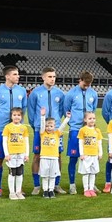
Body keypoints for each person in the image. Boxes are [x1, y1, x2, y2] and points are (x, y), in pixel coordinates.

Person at [0, 65, 27, 198]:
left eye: (18, 74)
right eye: (15, 74)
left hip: (18, 131)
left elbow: (24, 108)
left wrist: (19, 125)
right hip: (1, 129)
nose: (18, 76)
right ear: (7, 76)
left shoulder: (22, 91)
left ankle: (18, 188)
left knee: (18, 159)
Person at [27, 67, 64, 195]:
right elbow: (31, 111)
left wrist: (56, 123)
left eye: (54, 77)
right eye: (49, 76)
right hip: (40, 129)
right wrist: (36, 125)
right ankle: (37, 185)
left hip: (55, 130)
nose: (52, 79)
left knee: (58, 156)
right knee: (37, 155)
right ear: (43, 77)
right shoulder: (35, 93)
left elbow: (61, 111)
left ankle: (56, 184)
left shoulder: (59, 93)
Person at [61, 71, 99, 194]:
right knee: (74, 158)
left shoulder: (93, 93)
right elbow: (66, 110)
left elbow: (93, 110)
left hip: (89, 131)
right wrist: (73, 122)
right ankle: (72, 184)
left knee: (92, 158)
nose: (87, 86)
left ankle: (91, 185)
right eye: (85, 84)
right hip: (75, 129)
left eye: (89, 84)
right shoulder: (71, 93)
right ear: (80, 80)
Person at [37, 109, 69, 198]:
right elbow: (42, 125)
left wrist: (67, 118)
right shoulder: (43, 133)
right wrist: (43, 116)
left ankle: (51, 190)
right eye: (47, 126)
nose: (49, 128)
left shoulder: (57, 133)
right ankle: (45, 190)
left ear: (54, 126)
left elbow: (62, 127)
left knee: (52, 175)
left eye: (51, 126)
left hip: (54, 157)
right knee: (45, 175)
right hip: (44, 157)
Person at [2, 107, 30, 200]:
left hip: (21, 153)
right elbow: (4, 141)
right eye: (14, 115)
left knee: (19, 173)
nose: (16, 117)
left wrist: (26, 154)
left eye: (18, 115)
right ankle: (12, 192)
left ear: (21, 116)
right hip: (12, 153)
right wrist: (6, 153)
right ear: (11, 116)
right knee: (12, 173)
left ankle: (18, 191)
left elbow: (26, 141)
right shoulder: (8, 127)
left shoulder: (24, 128)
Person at [78, 111, 104, 196]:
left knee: (93, 172)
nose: (92, 120)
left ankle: (91, 188)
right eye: (90, 118)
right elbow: (80, 143)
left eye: (93, 118)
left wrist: (100, 153)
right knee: (86, 172)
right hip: (86, 155)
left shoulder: (97, 130)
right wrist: (81, 154)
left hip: (94, 155)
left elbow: (99, 143)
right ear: (85, 120)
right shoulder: (83, 130)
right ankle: (86, 189)